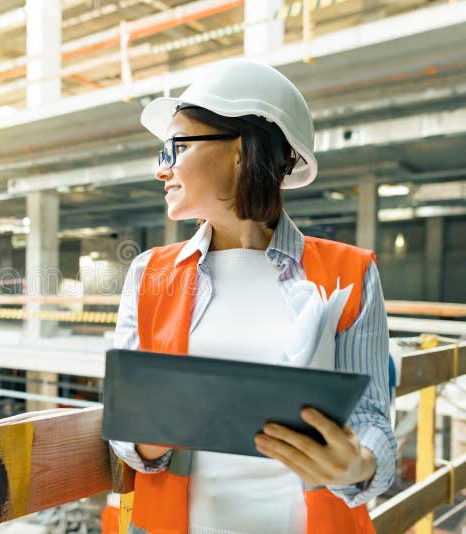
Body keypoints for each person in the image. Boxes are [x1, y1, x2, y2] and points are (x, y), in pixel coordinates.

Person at [109, 58, 396, 534]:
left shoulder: (351, 272)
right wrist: (152, 434)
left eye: (174, 148)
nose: (162, 170)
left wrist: (358, 464)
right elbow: (125, 435)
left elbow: (371, 421)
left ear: (241, 150)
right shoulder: (149, 274)